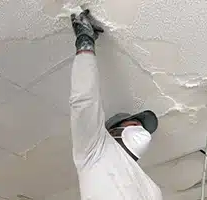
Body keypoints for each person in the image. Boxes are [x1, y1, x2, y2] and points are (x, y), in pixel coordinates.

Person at [69, 9, 163, 200]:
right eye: (136, 124)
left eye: (138, 125)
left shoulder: (152, 189)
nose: (142, 130)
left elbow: (84, 100)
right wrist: (85, 40)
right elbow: (84, 102)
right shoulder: (94, 148)